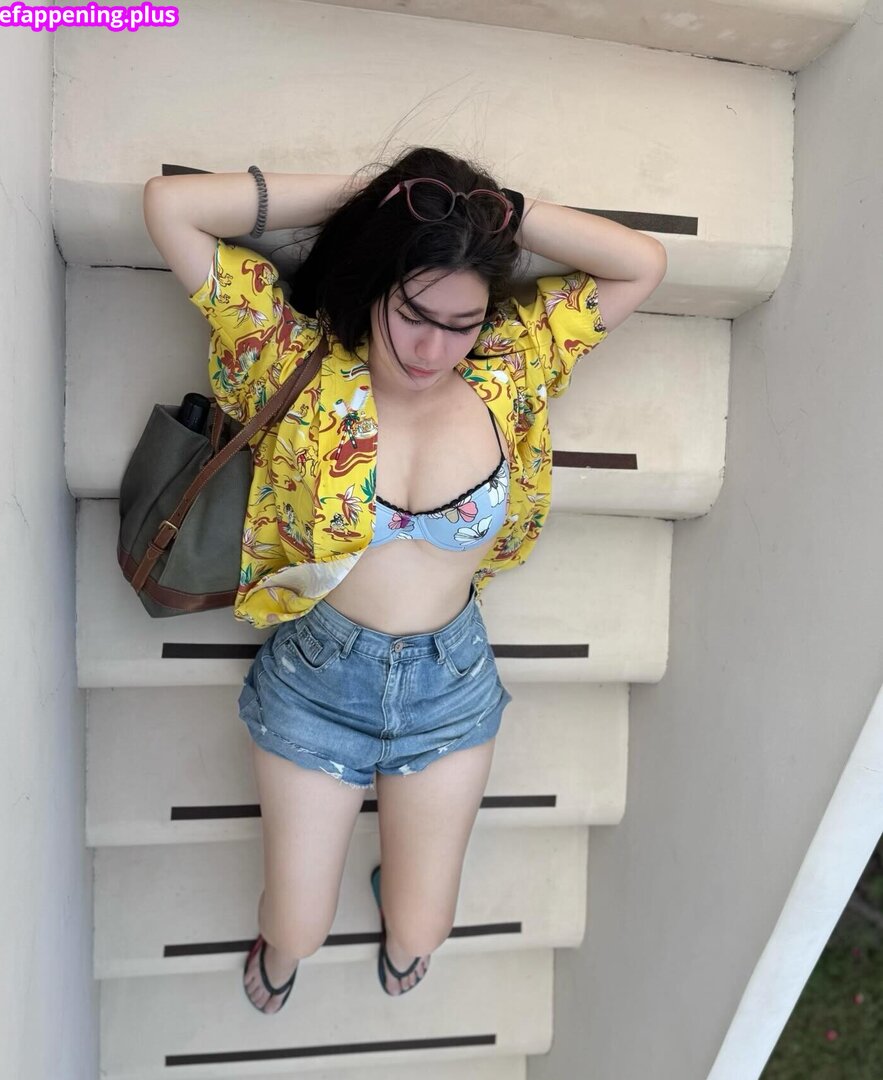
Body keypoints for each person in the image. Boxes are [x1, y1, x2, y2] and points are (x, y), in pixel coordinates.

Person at [142, 146, 665, 1015]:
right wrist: (378, 201)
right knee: (296, 931)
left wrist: (491, 210)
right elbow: (171, 209)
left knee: (422, 931)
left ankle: (402, 891)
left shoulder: (508, 367)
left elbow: (640, 264)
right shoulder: (292, 359)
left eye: (461, 322)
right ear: (375, 284)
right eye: (414, 312)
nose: (432, 348)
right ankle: (293, 937)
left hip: (448, 685)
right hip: (317, 681)